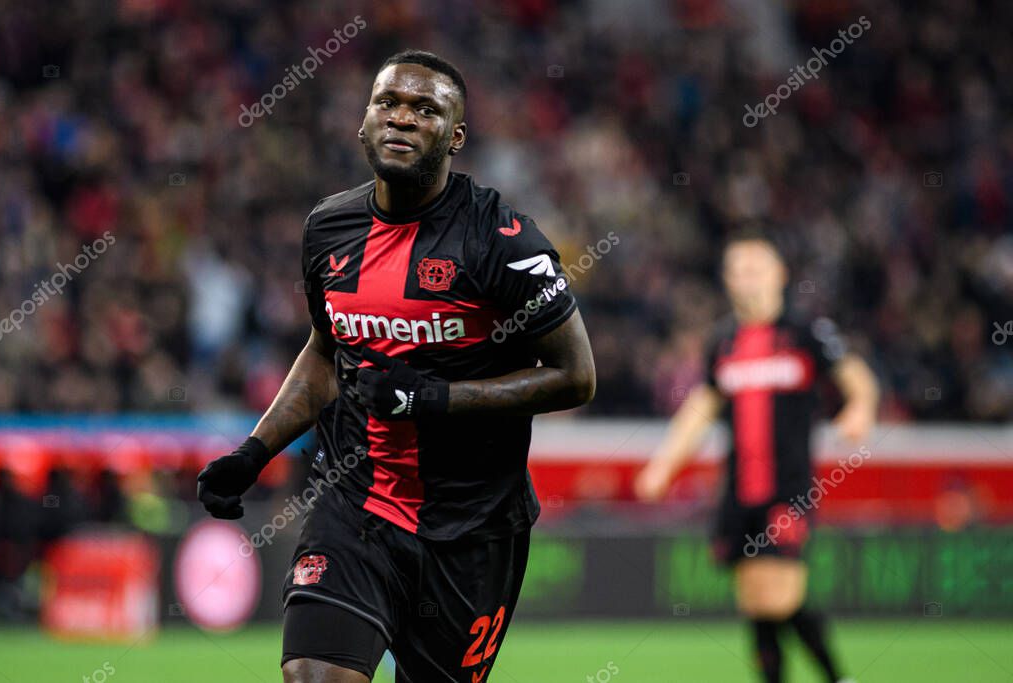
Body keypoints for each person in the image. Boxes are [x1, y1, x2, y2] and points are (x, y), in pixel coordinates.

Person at [197, 50, 595, 683]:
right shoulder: (328, 229)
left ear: (455, 137)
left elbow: (576, 376)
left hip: (473, 528)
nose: (402, 118)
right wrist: (254, 451)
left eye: (425, 109)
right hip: (355, 504)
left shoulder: (504, 241)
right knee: (313, 675)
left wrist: (435, 398)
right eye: (388, 102)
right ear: (363, 122)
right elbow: (325, 353)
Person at [635, 231, 878, 683]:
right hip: (739, 491)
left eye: (755, 269)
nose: (747, 279)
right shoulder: (723, 341)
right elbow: (702, 406)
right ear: (727, 280)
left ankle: (837, 676)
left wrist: (860, 408)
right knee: (755, 602)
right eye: (738, 271)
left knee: (778, 597)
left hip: (789, 488)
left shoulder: (806, 331)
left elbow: (856, 375)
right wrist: (664, 464)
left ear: (779, 274)